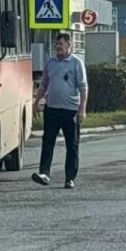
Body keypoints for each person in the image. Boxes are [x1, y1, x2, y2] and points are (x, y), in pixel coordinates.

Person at [31, 32, 88, 189]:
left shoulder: (77, 63)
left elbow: (83, 88)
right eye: (56, 44)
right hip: (52, 109)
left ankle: (69, 178)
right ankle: (44, 173)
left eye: (61, 44)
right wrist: (36, 103)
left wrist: (82, 109)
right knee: (48, 142)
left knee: (72, 145)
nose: (58, 47)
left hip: (71, 110)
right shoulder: (51, 62)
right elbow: (43, 85)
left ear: (69, 45)